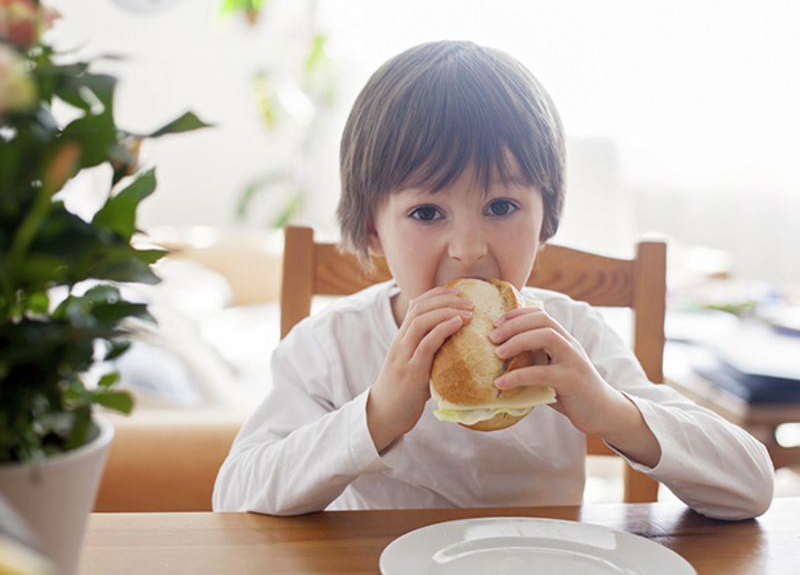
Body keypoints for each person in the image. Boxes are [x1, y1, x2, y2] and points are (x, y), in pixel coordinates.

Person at [213, 40, 774, 520]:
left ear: (545, 218)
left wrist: (609, 409)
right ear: (374, 232)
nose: (468, 249)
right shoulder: (330, 346)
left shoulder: (572, 334)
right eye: (428, 213)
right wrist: (377, 414)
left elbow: (752, 486)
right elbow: (233, 499)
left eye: (502, 206)